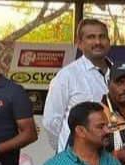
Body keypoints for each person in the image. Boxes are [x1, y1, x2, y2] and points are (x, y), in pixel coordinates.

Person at [43, 19, 112, 152]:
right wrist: (65, 150)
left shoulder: (118, 74)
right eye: (91, 37)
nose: (98, 42)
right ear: (79, 43)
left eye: (102, 36)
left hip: (110, 156)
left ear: (109, 41)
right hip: (75, 157)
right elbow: (51, 122)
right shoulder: (67, 76)